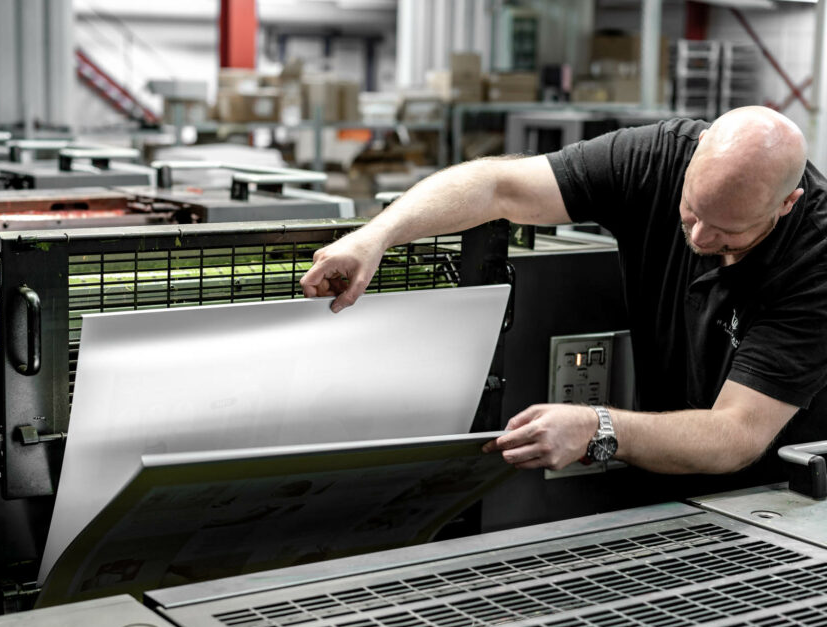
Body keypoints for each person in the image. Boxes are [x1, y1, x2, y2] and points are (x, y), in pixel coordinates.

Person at [300, 106, 827, 479]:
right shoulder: (658, 157)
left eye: (728, 231)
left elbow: (736, 435)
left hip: (775, 493)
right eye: (692, 211)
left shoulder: (815, 260)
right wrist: (378, 235)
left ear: (787, 204)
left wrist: (599, 426)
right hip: (664, 474)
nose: (699, 237)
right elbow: (497, 185)